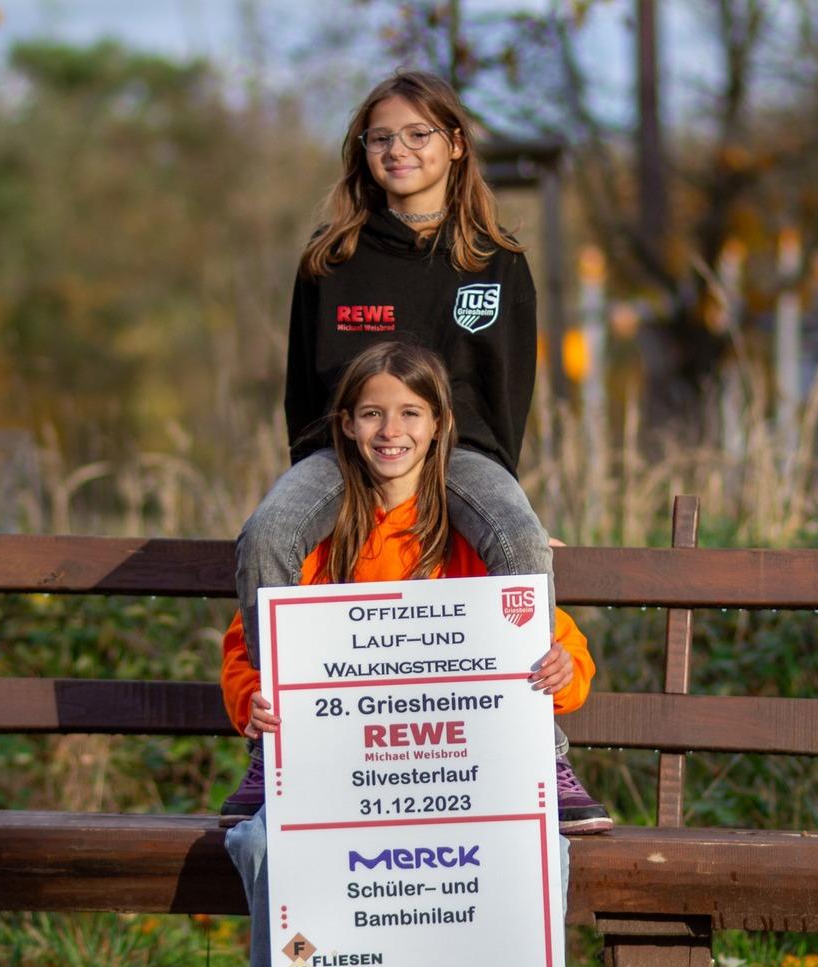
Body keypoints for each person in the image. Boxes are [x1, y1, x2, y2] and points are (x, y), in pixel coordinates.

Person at [227, 69, 609, 832]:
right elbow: (303, 384)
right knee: (267, 533)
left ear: (455, 145)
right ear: (360, 152)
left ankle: (544, 750)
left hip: (461, 452)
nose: (397, 150)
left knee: (520, 539)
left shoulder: (495, 262)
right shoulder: (331, 258)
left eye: (417, 135)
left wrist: (509, 500)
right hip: (342, 450)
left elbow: (509, 393)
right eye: (380, 138)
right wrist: (318, 476)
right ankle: (275, 751)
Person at [223, 341, 591, 967]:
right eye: (371, 415)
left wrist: (564, 671)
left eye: (410, 414)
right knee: (261, 844)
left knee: (540, 853)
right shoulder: (315, 539)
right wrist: (254, 696)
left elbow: (555, 640)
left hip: (456, 778)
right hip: (339, 778)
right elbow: (247, 644)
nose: (390, 432)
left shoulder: (473, 534)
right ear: (345, 425)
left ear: (440, 425)